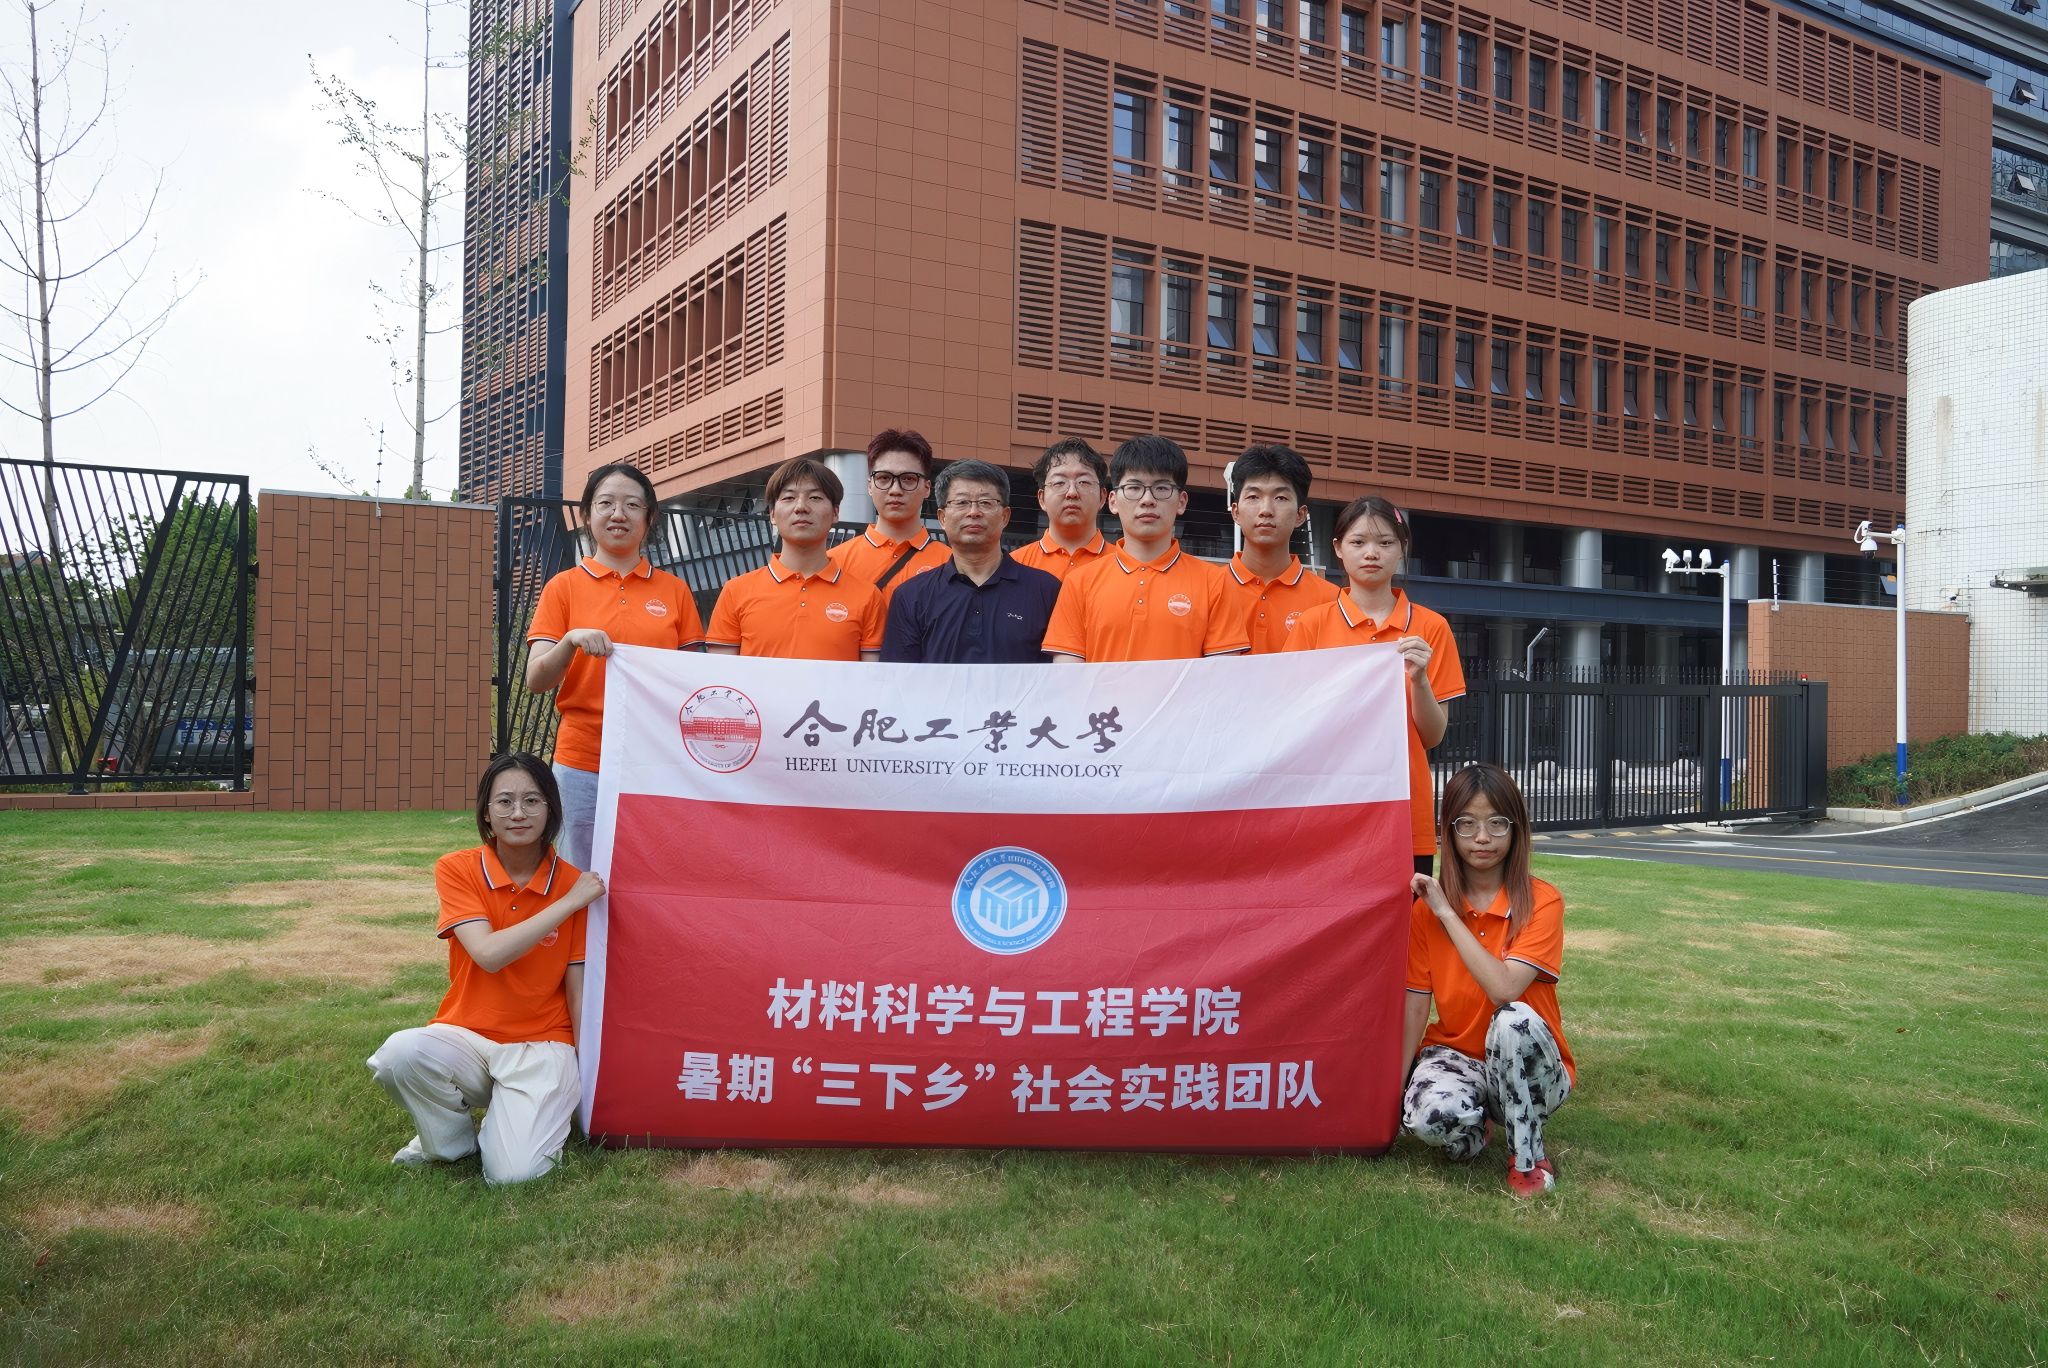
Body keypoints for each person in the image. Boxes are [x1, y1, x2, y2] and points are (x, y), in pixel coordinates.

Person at [367, 753, 603, 1186]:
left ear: (551, 809)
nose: (518, 813)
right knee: (401, 1054)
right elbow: (489, 954)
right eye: (505, 802)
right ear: (487, 813)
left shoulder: (574, 882)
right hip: (467, 1036)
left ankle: (514, 1113)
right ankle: (451, 1144)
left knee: (515, 1175)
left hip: (541, 1045)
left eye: (532, 801)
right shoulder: (458, 868)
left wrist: (587, 1073)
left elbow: (577, 990)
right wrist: (567, 903)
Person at [1401, 764, 1575, 1197]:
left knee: (1512, 1018)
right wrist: (1393, 1092)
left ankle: (1528, 1156)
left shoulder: (1542, 902)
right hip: (1456, 1057)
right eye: (1467, 824)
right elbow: (1416, 1005)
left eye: (1497, 823)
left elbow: (1504, 989)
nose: (1482, 837)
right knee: (1426, 1120)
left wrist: (1446, 913)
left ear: (1516, 830)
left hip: (1531, 1066)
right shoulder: (1424, 912)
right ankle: (1480, 1126)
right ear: (1448, 831)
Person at [524, 462, 704, 868]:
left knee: (653, 869)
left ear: (649, 518)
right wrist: (569, 641)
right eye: (605, 503)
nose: (618, 514)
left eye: (632, 505)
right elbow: (536, 679)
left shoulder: (675, 591)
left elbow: (695, 680)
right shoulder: (563, 587)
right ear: (587, 516)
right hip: (582, 759)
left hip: (656, 756)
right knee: (579, 873)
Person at [1283, 495, 1464, 875]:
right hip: (1328, 807)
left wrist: (1419, 680)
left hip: (1404, 808)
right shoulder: (1311, 626)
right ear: (1338, 548)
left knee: (1405, 912)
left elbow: (1432, 736)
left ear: (1402, 549)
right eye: (1358, 542)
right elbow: (1292, 725)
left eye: (1385, 542)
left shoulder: (1431, 628)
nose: (1371, 553)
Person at [1041, 434, 1250, 663]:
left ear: (1181, 501)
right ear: (1113, 501)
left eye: (1161, 488)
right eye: (1134, 487)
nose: (1147, 499)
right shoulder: (1079, 583)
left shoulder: (1215, 583)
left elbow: (1221, 676)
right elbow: (1068, 673)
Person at [881, 460, 1061, 664]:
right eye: (961, 502)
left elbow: (1059, 675)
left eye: (985, 502)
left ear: (1005, 516)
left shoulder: (1046, 590)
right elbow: (899, 678)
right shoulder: (911, 596)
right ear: (942, 517)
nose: (974, 512)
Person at [705, 457, 885, 659]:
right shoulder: (735, 592)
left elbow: (872, 676)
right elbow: (720, 674)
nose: (801, 507)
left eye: (815, 498)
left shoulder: (868, 597)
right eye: (789, 498)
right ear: (772, 514)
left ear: (835, 513)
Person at [1223, 444, 1339, 654]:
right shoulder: (1208, 591)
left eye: (1280, 498)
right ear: (1235, 512)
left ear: (1300, 515)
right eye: (1253, 497)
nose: (1266, 510)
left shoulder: (1331, 600)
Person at [824, 428, 952, 602]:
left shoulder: (951, 563)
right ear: (870, 486)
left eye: (908, 479)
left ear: (927, 488)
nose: (895, 490)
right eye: (884, 478)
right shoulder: (834, 561)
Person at [1011, 437, 1112, 582]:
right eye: (1059, 482)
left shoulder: (1125, 565)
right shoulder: (1014, 565)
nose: (1072, 493)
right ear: (1042, 498)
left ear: (1102, 497)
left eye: (1083, 482)